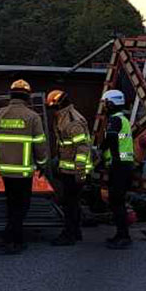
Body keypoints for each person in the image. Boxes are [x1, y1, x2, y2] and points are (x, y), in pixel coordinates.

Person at [0, 79, 48, 255]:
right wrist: (42, 164)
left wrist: (0, 142)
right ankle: (9, 239)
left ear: (11, 95)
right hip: (23, 172)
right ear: (27, 97)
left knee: (12, 205)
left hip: (5, 170)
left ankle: (15, 240)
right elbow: (40, 144)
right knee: (22, 207)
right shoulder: (33, 117)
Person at [45, 89, 92, 246]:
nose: (52, 111)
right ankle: (75, 232)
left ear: (59, 105)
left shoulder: (72, 121)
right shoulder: (63, 117)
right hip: (68, 169)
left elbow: (82, 147)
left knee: (70, 203)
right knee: (72, 202)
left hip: (74, 171)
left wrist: (80, 172)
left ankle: (69, 234)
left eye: (53, 107)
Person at [97, 89, 136, 249]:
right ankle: (121, 234)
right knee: (117, 201)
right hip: (124, 165)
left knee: (116, 202)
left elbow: (111, 139)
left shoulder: (114, 120)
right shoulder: (123, 119)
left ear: (112, 103)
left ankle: (124, 237)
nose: (105, 106)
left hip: (119, 166)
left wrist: (100, 151)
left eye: (106, 103)